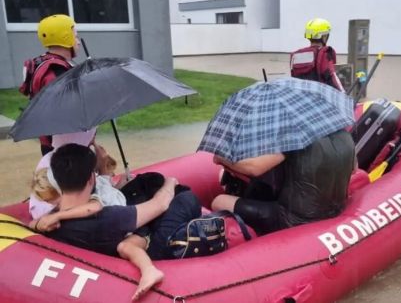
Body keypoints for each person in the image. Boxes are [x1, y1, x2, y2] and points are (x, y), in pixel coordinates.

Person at [44, 143, 201, 301]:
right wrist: (171, 182)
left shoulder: (48, 220)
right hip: (141, 247)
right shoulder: (106, 218)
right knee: (185, 199)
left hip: (108, 242)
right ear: (92, 179)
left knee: (145, 182)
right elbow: (160, 204)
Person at [211, 129, 355, 235]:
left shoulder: (296, 136)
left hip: (292, 220)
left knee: (219, 201)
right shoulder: (344, 135)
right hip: (334, 210)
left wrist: (221, 158)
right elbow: (354, 168)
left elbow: (254, 168)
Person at [19, 14, 80, 155]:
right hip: (63, 148)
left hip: (48, 143)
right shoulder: (57, 72)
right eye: (76, 36)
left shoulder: (41, 63)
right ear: (66, 38)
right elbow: (66, 113)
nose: (79, 42)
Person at [290, 18, 344, 92]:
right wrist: (344, 96)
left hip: (302, 98)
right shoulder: (324, 55)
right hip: (320, 98)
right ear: (324, 37)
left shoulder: (296, 56)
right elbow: (333, 79)